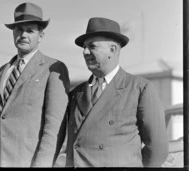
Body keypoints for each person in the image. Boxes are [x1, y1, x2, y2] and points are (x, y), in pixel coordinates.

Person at [56, 17, 168, 167]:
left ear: (112, 49)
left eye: (92, 46)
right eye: (84, 46)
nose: (85, 52)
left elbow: (157, 150)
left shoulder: (140, 89)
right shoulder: (75, 94)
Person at [0, 2, 70, 167]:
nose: (23, 35)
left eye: (30, 30)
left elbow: (54, 127)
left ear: (41, 36)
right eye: (18, 29)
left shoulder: (53, 69)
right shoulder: (2, 72)